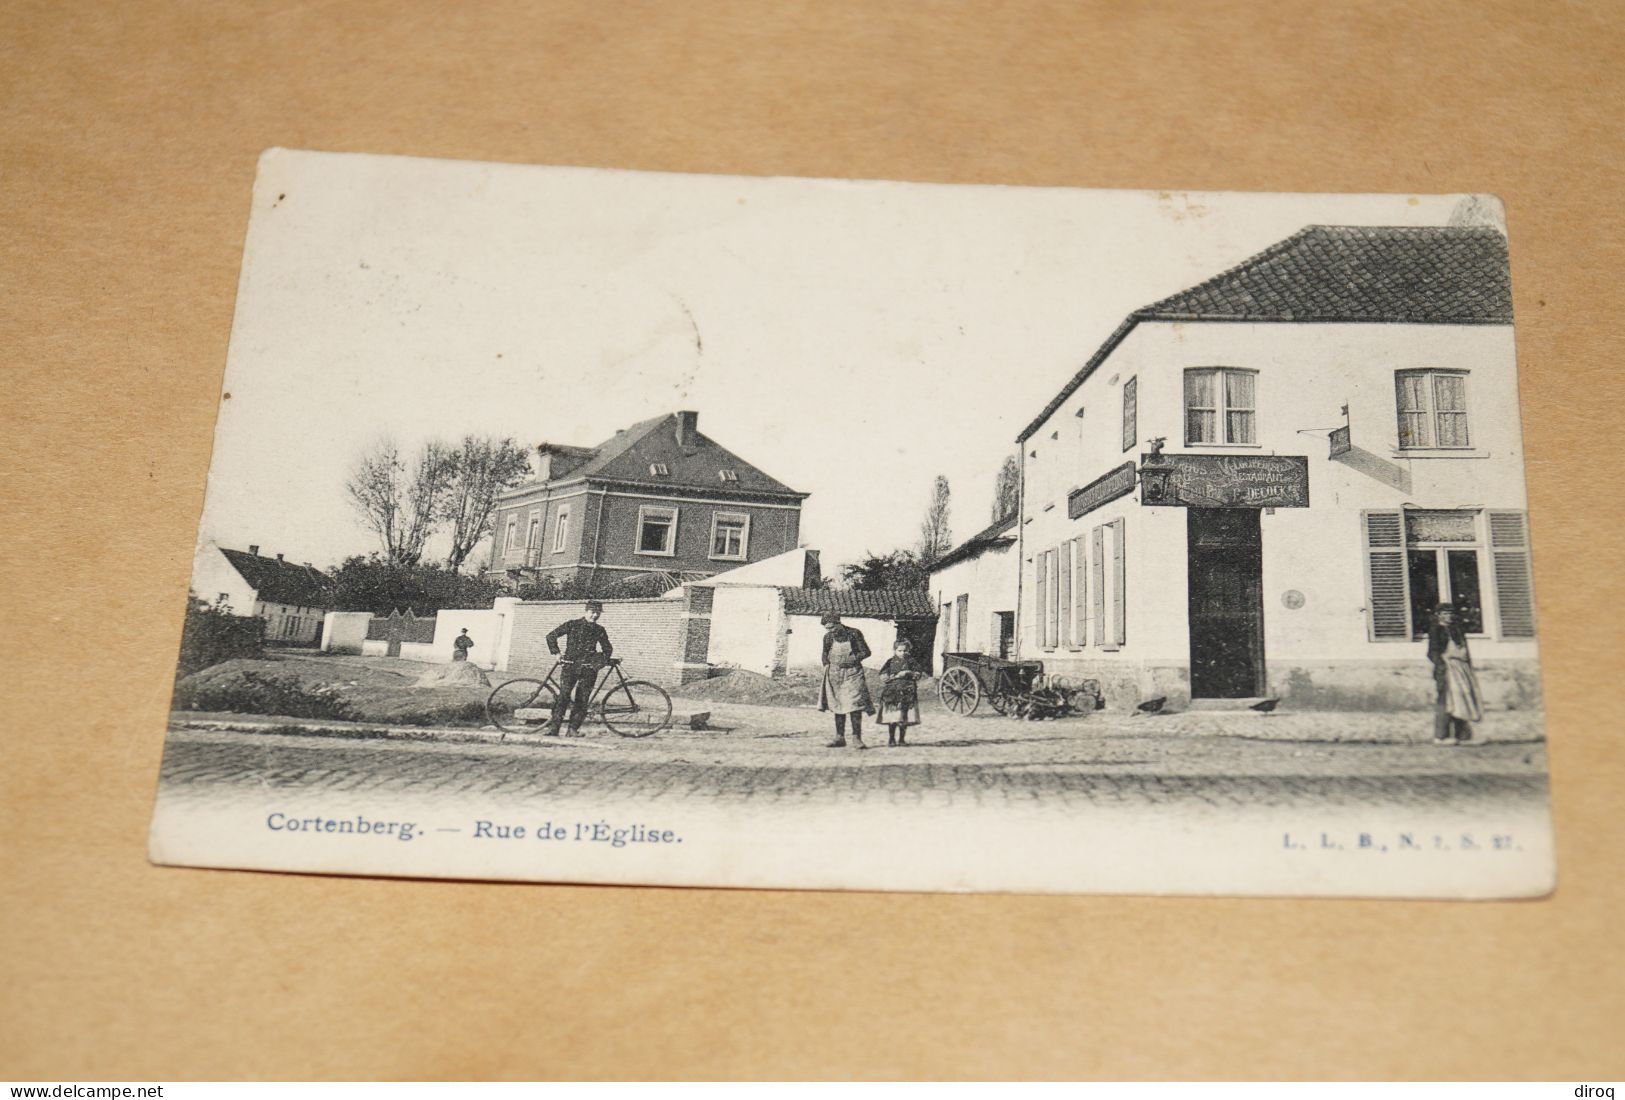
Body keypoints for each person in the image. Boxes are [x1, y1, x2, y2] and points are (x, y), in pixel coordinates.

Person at [545, 600, 613, 737]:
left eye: (597, 613)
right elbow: (551, 636)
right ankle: (554, 729)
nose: (595, 615)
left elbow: (608, 649)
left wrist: (599, 661)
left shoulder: (600, 630)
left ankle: (573, 730)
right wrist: (556, 653)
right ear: (586, 611)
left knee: (582, 700)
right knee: (563, 697)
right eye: (592, 612)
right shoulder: (572, 624)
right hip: (570, 666)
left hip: (589, 669)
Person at [1427, 602, 1483, 745]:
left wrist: (1468, 666)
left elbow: (1464, 650)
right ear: (1438, 615)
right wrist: (1441, 666)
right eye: (1445, 613)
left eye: (1450, 613)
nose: (1449, 616)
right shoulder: (1436, 630)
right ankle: (1441, 736)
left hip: (1461, 669)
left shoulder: (1457, 630)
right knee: (1447, 702)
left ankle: (1462, 736)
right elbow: (1432, 652)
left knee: (1463, 700)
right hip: (1447, 669)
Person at [818, 613, 872, 749]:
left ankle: (856, 738)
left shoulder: (854, 633)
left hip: (853, 673)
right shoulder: (828, 637)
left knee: (855, 705)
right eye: (828, 628)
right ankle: (839, 737)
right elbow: (825, 653)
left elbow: (866, 652)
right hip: (835, 674)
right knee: (838, 705)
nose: (831, 631)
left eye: (832, 627)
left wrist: (853, 659)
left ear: (838, 623)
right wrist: (826, 665)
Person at [876, 638, 924, 746]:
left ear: (908, 650)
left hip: (907, 691)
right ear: (894, 651)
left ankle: (902, 739)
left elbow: (918, 673)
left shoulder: (911, 661)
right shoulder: (890, 662)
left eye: (905, 650)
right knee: (893, 717)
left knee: (904, 717)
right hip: (892, 692)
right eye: (900, 651)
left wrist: (909, 673)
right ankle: (891, 739)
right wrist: (895, 676)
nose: (903, 653)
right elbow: (883, 676)